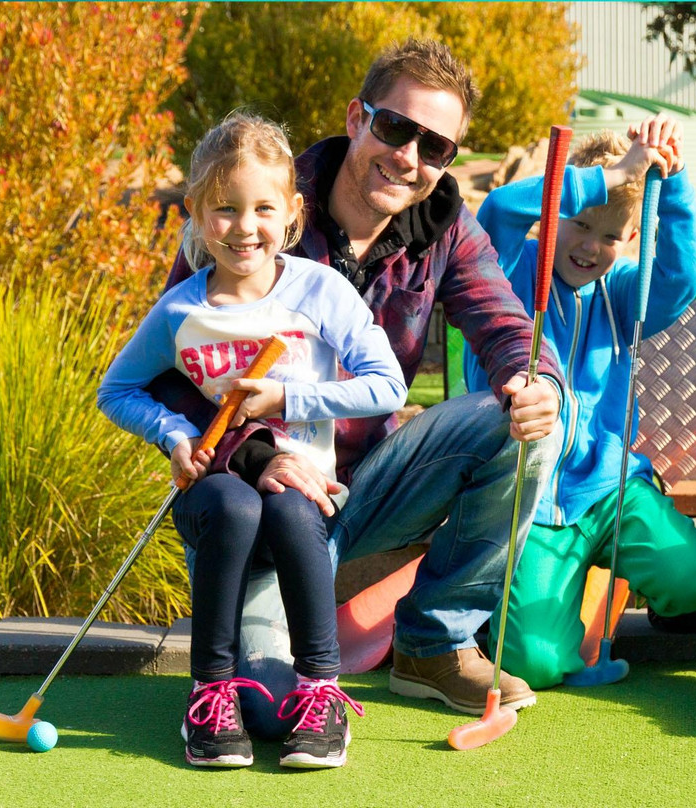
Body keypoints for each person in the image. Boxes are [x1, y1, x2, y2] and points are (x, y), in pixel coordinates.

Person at [149, 38, 564, 734]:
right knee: (267, 708)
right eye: (395, 127)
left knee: (532, 418)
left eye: (435, 147)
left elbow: (504, 325)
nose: (408, 157)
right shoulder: (257, 206)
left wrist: (536, 379)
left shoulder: (447, 230)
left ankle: (433, 643)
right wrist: (254, 455)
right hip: (260, 506)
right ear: (356, 118)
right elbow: (172, 376)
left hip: (367, 488)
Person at [98, 111, 409, 768]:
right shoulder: (181, 310)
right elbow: (116, 391)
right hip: (217, 500)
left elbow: (388, 386)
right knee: (237, 504)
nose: (245, 227)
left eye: (264, 208)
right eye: (225, 209)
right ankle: (209, 693)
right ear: (196, 213)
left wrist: (287, 399)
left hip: (304, 499)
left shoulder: (319, 291)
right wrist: (177, 434)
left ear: (292, 211)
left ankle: (320, 691)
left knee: (288, 509)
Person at [463, 118, 696, 688]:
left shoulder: (622, 291)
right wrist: (612, 176)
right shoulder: (508, 272)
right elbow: (501, 208)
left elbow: (679, 280)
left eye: (610, 236)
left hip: (608, 488)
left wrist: (672, 180)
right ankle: (512, 606)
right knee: (534, 662)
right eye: (580, 224)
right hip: (529, 499)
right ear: (556, 212)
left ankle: (641, 582)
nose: (590, 246)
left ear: (629, 240)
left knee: (695, 580)